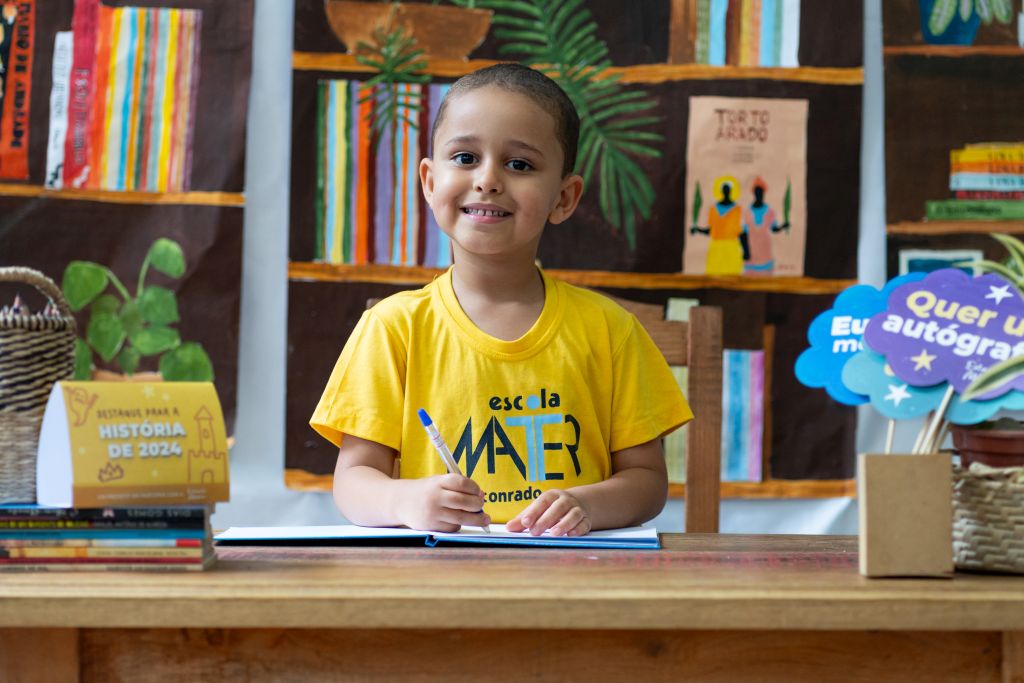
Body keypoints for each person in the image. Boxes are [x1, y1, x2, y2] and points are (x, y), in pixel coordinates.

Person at [311, 63, 692, 537]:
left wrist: (588, 505)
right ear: (430, 182)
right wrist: (405, 500)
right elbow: (353, 481)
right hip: (438, 575)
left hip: (575, 574)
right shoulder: (392, 328)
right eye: (465, 157)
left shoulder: (611, 330)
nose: (488, 179)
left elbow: (648, 482)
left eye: (519, 165)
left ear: (564, 197)